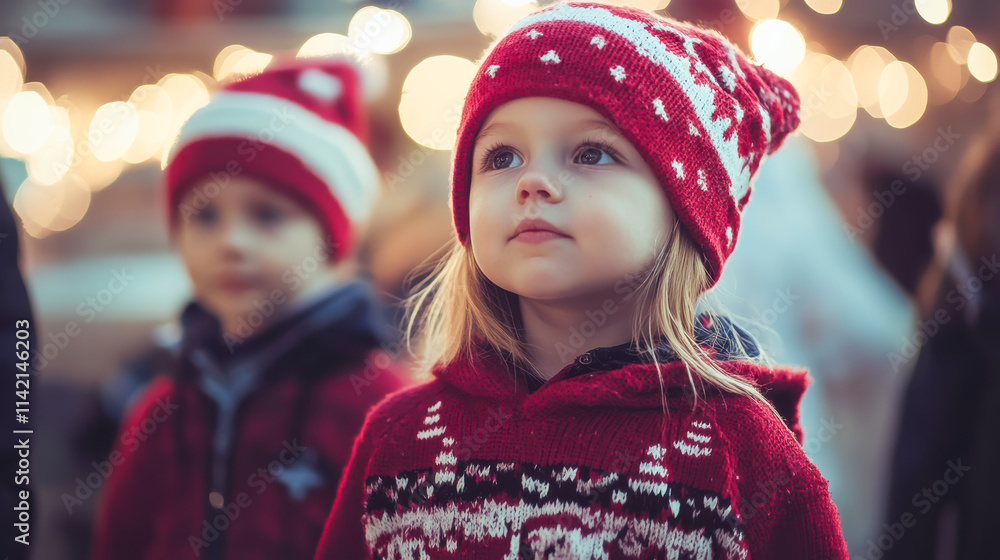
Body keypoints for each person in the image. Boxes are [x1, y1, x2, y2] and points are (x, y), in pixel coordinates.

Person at [314, 2, 847, 558]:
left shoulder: (744, 452)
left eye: (591, 152)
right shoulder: (400, 435)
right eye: (501, 156)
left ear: (685, 213)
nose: (534, 181)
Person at [90, 58, 409, 560]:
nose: (231, 242)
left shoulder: (379, 406)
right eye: (206, 215)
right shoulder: (162, 408)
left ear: (332, 241)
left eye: (267, 215)